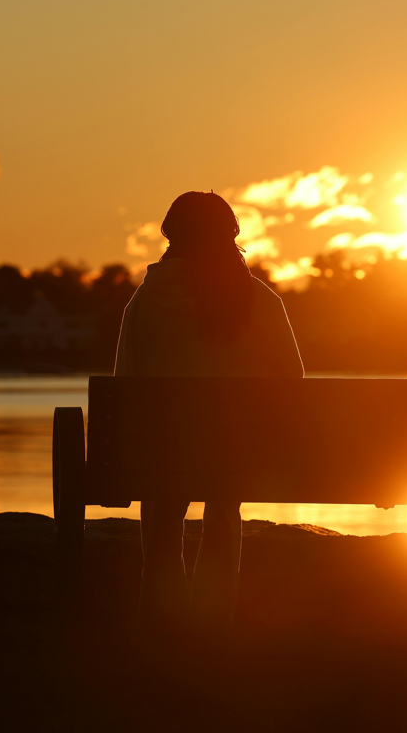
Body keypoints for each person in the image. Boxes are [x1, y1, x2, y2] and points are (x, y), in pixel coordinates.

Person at [113, 191, 303, 639]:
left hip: (164, 454)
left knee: (161, 503)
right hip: (237, 455)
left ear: (171, 237)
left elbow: (124, 390)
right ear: (230, 235)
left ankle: (162, 618)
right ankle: (215, 621)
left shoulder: (145, 301)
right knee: (224, 498)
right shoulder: (260, 301)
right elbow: (293, 381)